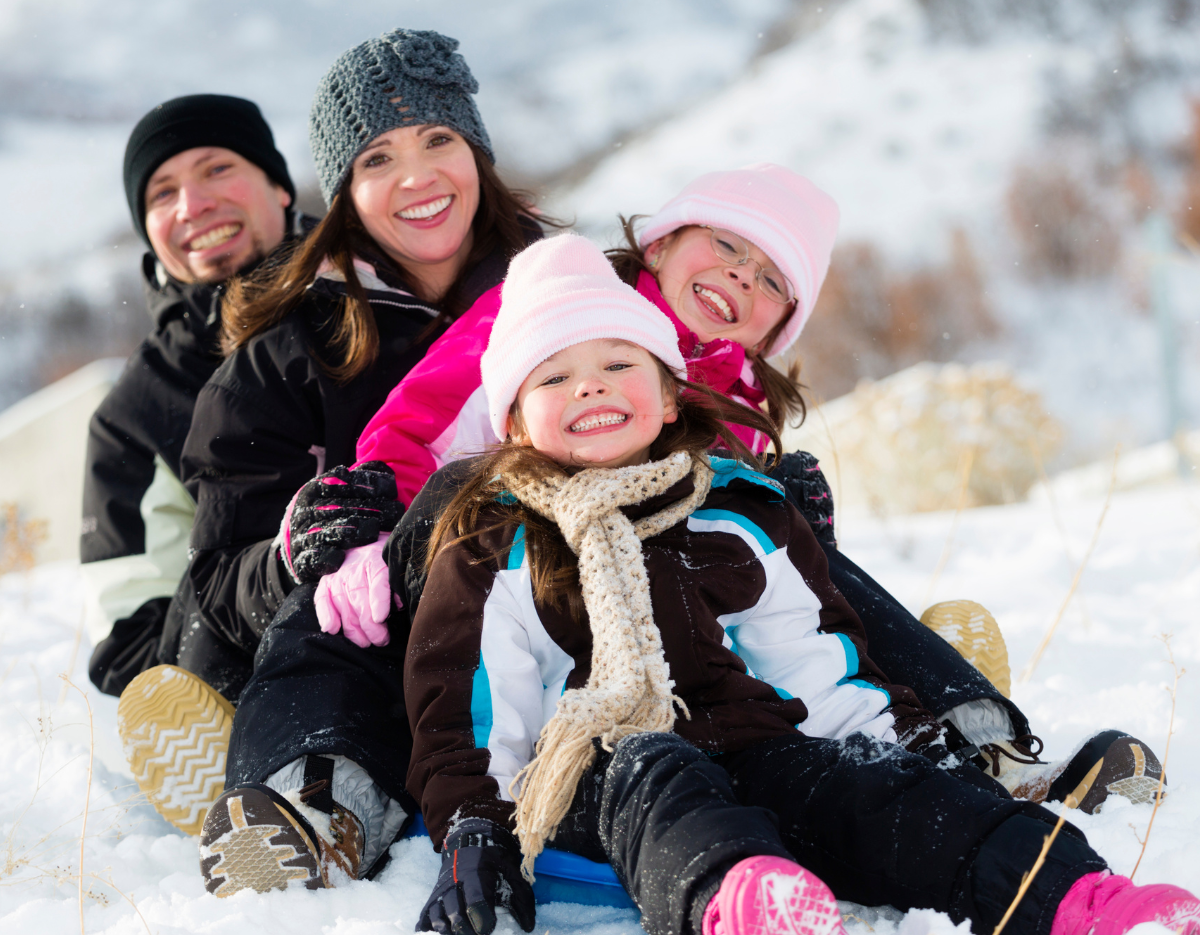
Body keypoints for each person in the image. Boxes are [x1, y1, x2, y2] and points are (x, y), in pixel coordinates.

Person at [397, 235, 1198, 935]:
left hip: (754, 750)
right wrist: (476, 829)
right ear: (512, 423)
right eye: (553, 377)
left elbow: (812, 653)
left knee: (868, 788)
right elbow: (467, 709)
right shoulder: (494, 541)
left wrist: (890, 755)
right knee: (656, 768)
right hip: (595, 785)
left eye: (617, 363)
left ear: (671, 395)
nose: (591, 386)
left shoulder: (736, 509)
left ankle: (1074, 900)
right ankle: (747, 910)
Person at [318, 164, 1164, 814]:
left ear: (775, 327)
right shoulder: (553, 308)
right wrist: (376, 534)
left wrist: (792, 524)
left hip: (662, 627)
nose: (740, 279)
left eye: (769, 282)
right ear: (660, 242)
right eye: (726, 246)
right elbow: (412, 429)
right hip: (514, 586)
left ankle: (975, 744)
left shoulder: (740, 412)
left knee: (800, 557)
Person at [122, 28, 546, 841]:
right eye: (377, 159)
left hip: (521, 612)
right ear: (343, 190)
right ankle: (307, 796)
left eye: (438, 139)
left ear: (476, 154)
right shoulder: (286, 353)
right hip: (350, 633)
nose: (417, 176)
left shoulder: (559, 303)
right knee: (347, 612)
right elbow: (218, 571)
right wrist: (295, 551)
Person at [82, 94, 301, 701]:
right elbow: (130, 640)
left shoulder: (376, 295)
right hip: (264, 658)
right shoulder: (137, 410)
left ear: (279, 185)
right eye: (161, 193)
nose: (193, 205)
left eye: (216, 169)